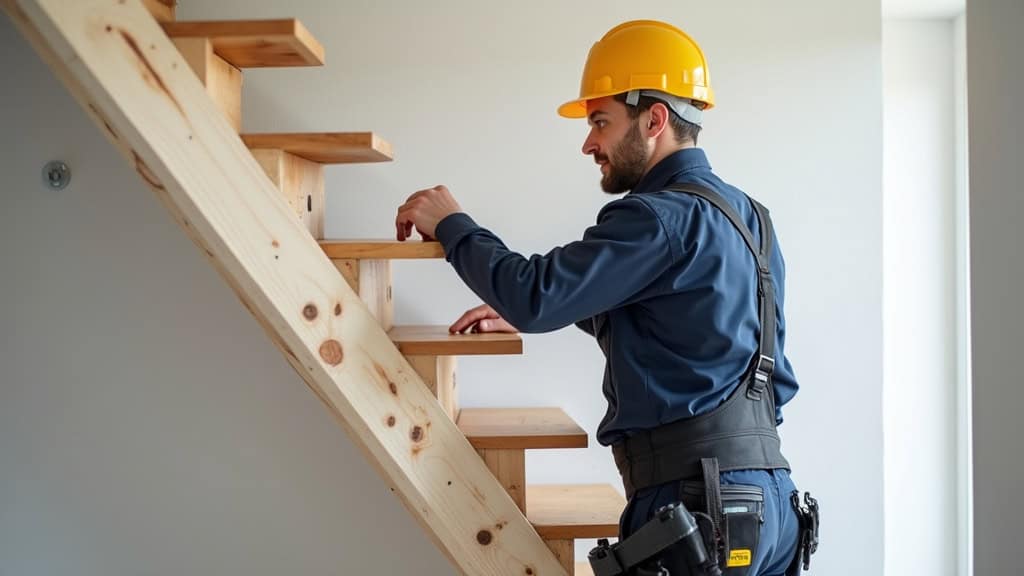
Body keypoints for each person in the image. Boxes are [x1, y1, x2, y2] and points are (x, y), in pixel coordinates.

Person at [395, 19, 816, 576]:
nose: (589, 142)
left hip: (695, 505)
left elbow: (535, 295)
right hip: (771, 507)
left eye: (601, 121)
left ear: (654, 118)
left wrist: (453, 226)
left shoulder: (656, 217)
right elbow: (686, 325)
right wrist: (572, 308)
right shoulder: (750, 218)